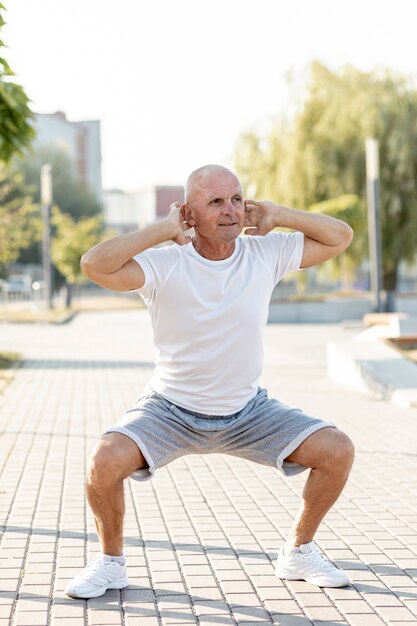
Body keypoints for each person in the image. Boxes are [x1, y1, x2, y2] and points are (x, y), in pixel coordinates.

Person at [65, 164, 355, 599]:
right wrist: (162, 230)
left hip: (248, 411)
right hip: (169, 410)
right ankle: (110, 564)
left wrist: (279, 213)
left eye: (237, 199)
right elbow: (94, 264)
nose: (231, 210)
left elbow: (340, 236)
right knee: (103, 461)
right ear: (189, 212)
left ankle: (299, 551)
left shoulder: (265, 254)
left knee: (337, 449)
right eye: (216, 202)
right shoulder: (164, 263)